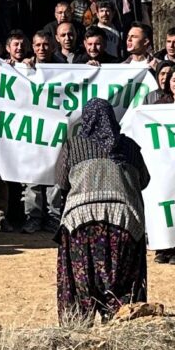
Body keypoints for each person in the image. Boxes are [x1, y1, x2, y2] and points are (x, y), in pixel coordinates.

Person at [53, 97, 150, 321]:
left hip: (81, 224)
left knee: (81, 286)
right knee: (123, 288)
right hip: (125, 225)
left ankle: (77, 330)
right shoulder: (130, 148)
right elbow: (144, 180)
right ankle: (122, 327)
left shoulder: (73, 145)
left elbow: (62, 182)